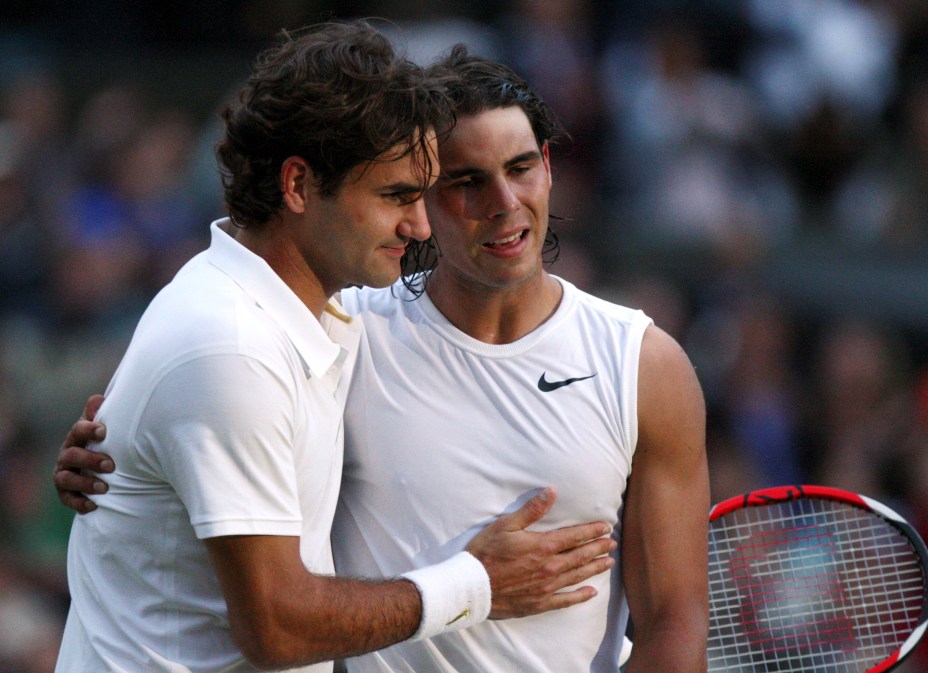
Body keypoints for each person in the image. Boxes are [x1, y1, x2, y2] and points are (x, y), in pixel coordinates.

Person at [55, 44, 709, 672]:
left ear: (547, 163)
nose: (505, 204)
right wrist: (109, 458)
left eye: (519, 168)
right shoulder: (339, 331)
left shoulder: (644, 365)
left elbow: (675, 625)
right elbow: (201, 384)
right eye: (464, 182)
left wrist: (123, 454)